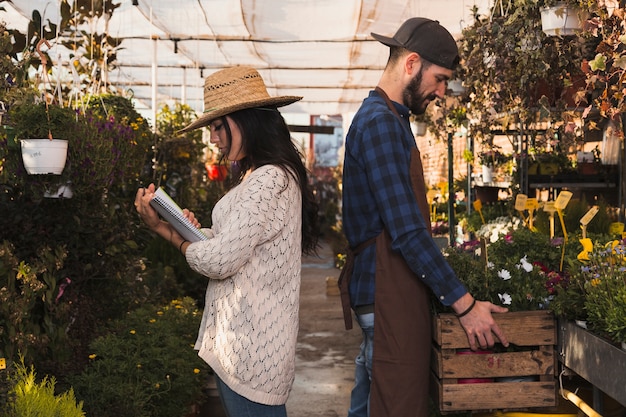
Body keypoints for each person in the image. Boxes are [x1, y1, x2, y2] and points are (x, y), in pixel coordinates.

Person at [339, 18, 510, 417]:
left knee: (371, 401)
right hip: (386, 291)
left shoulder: (390, 118)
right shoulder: (381, 123)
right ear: (412, 63)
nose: (442, 91)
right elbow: (408, 233)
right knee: (395, 404)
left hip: (387, 289)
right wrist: (465, 307)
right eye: (440, 78)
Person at [135, 66, 319, 417]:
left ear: (247, 121)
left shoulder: (269, 180)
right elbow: (236, 244)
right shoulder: (257, 173)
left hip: (252, 353)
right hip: (243, 345)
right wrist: (180, 229)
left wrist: (171, 235)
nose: (213, 138)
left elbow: (220, 260)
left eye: (219, 126)